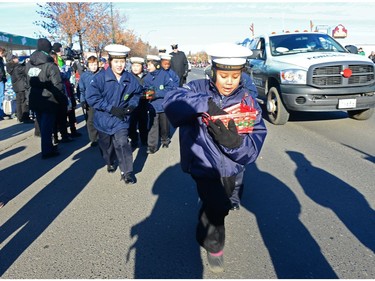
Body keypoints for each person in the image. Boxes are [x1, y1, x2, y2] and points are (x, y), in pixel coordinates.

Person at [163, 43, 267, 273]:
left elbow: (252, 149)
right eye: (223, 75)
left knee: (222, 205)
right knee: (217, 208)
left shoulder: (248, 101)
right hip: (204, 165)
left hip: (231, 168)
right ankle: (214, 246)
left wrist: (234, 143)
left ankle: (204, 221)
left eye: (235, 75)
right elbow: (171, 101)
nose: (229, 81)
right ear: (213, 71)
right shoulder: (196, 87)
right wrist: (205, 105)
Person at [86, 44, 143, 184]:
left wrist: (131, 106)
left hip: (121, 119)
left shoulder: (130, 79)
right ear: (110, 61)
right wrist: (110, 108)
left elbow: (137, 93)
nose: (119, 65)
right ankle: (109, 161)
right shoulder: (99, 78)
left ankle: (127, 172)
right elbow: (92, 98)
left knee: (123, 143)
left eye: (122, 62)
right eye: (116, 62)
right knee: (106, 146)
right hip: (103, 119)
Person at [25, 38, 67, 159]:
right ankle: (47, 150)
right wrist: (62, 99)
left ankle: (47, 146)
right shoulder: (50, 65)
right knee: (47, 125)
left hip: (35, 98)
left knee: (43, 124)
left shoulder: (29, 64)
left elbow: (27, 83)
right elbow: (57, 85)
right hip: (49, 99)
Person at [143, 54, 175, 153]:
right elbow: (145, 90)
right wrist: (146, 94)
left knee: (164, 126)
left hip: (163, 105)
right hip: (152, 106)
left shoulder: (165, 75)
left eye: (149, 65)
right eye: (147, 65)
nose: (147, 67)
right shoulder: (147, 77)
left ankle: (165, 139)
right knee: (153, 126)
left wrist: (156, 94)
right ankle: (152, 146)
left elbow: (170, 89)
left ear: (156, 65)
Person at [78, 55, 100, 147]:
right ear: (88, 65)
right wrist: (83, 101)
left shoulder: (102, 74)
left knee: (101, 120)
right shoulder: (84, 76)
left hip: (100, 101)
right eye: (91, 65)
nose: (93, 67)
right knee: (90, 121)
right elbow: (82, 90)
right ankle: (94, 139)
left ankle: (103, 136)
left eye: (95, 64)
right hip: (90, 102)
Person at [128, 56, 149, 148]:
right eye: (134, 66)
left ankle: (144, 140)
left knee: (143, 123)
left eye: (138, 66)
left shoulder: (147, 77)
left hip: (143, 105)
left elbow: (152, 90)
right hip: (132, 105)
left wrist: (148, 95)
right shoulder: (128, 77)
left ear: (142, 67)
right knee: (132, 124)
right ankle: (134, 139)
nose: (135, 68)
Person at [6, 54, 33, 123]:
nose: (18, 59)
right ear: (13, 59)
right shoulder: (17, 67)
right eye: (16, 58)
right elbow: (25, 70)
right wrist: (27, 63)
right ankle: (25, 117)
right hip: (22, 86)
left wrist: (23, 63)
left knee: (18, 102)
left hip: (16, 86)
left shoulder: (10, 67)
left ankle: (20, 117)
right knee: (24, 102)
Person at [0, 46, 6, 120]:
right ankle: (0, 113)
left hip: (2, 79)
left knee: (1, 96)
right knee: (1, 96)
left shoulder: (1, 60)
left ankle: (1, 112)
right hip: (0, 79)